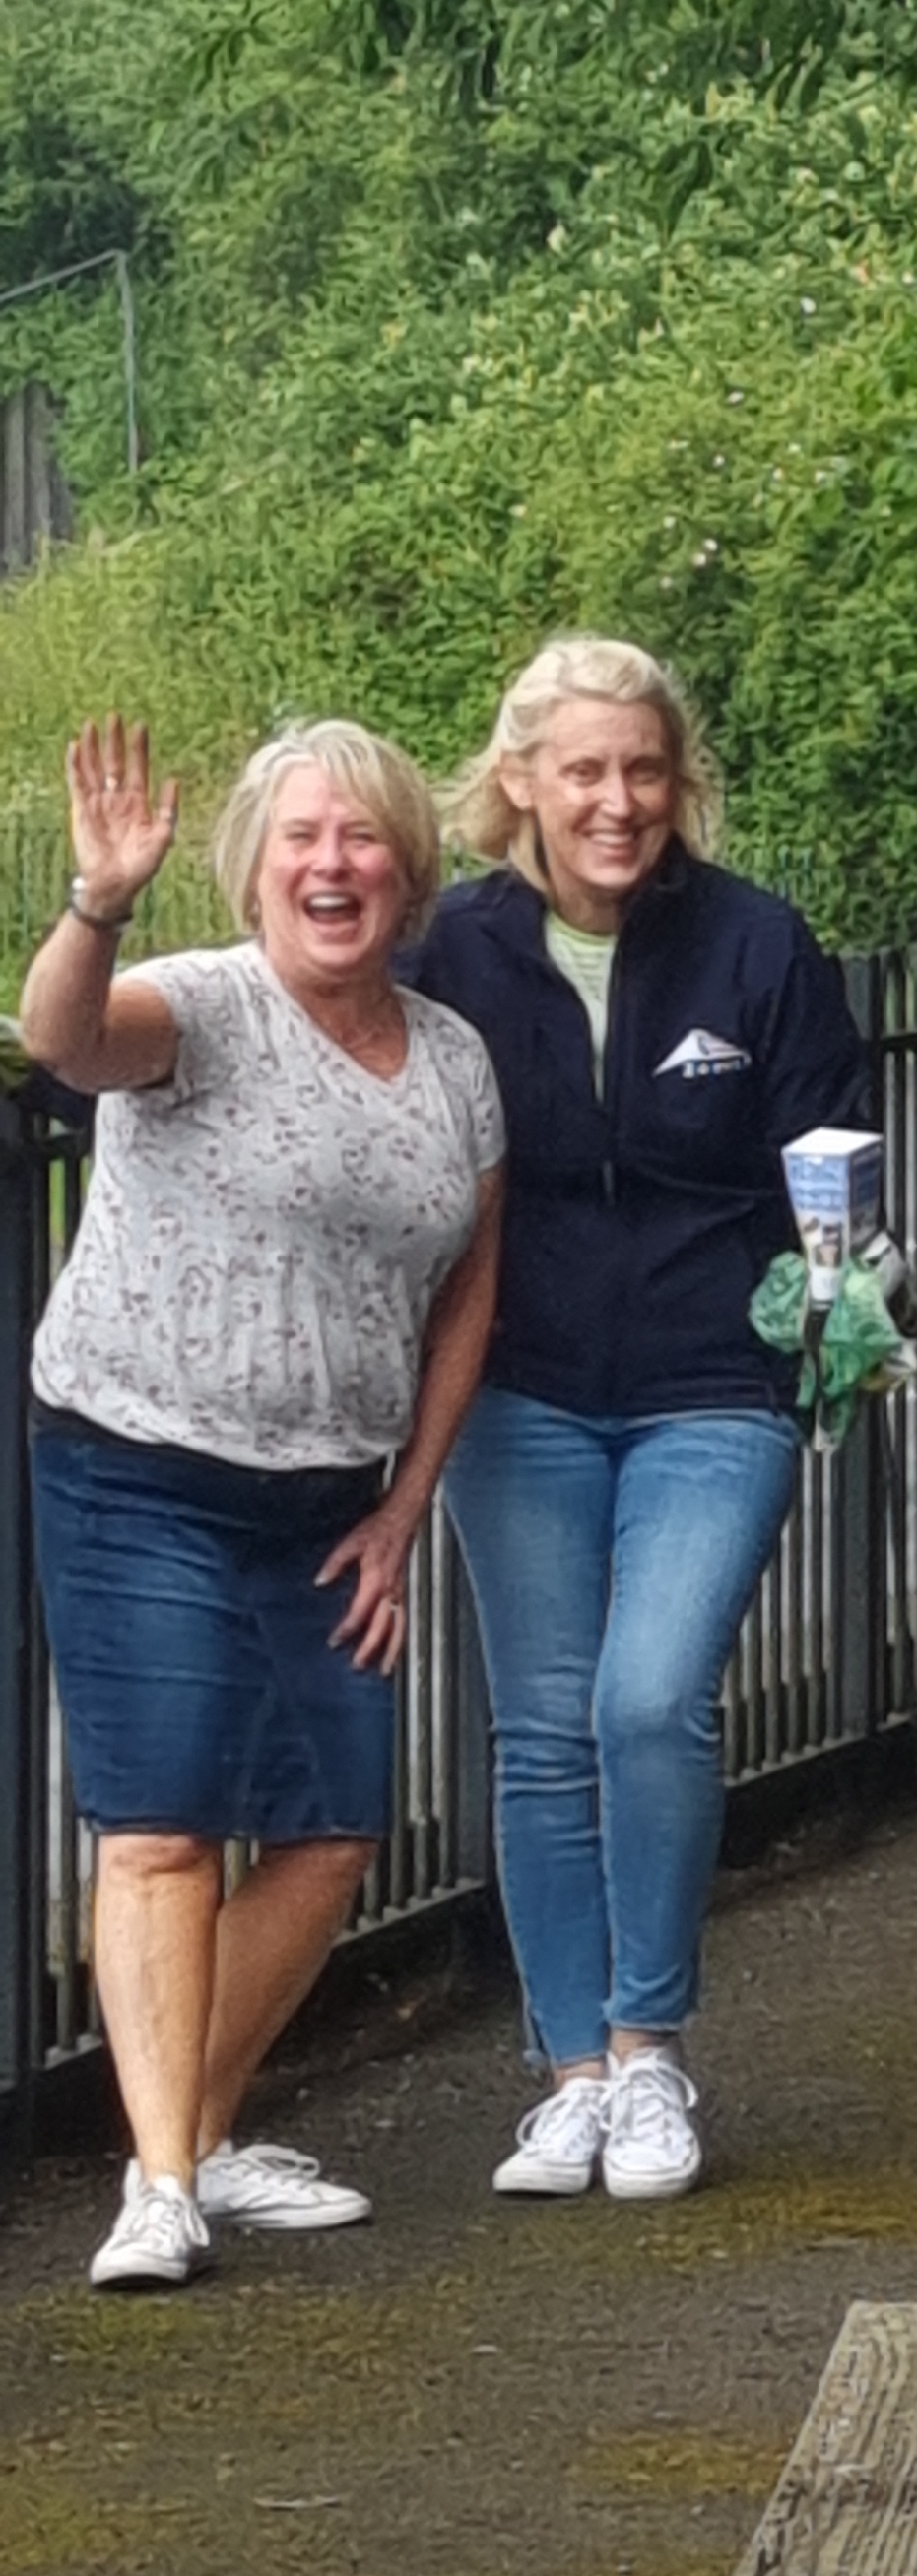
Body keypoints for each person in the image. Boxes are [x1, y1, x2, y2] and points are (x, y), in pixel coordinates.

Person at [22, 717, 504, 2289]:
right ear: (253, 867)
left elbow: (469, 1287)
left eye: (362, 838)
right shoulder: (204, 1008)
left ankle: (199, 2139)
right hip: (137, 1465)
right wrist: (96, 907)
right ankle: (157, 2188)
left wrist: (407, 1503)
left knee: (329, 1829)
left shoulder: (451, 1061)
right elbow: (63, 1046)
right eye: (301, 838)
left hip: (327, 1502)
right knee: (162, 1828)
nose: (333, 864)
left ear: (409, 872)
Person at [412, 637, 870, 2203]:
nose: (617, 802)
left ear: (682, 783)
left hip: (709, 1383)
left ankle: (654, 2048)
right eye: (585, 771)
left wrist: (842, 1303)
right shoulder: (448, 950)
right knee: (541, 1732)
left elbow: (837, 1161)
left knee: (647, 1700)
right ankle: (571, 2079)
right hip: (517, 1385)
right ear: (522, 779)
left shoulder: (756, 944)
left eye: (645, 770)